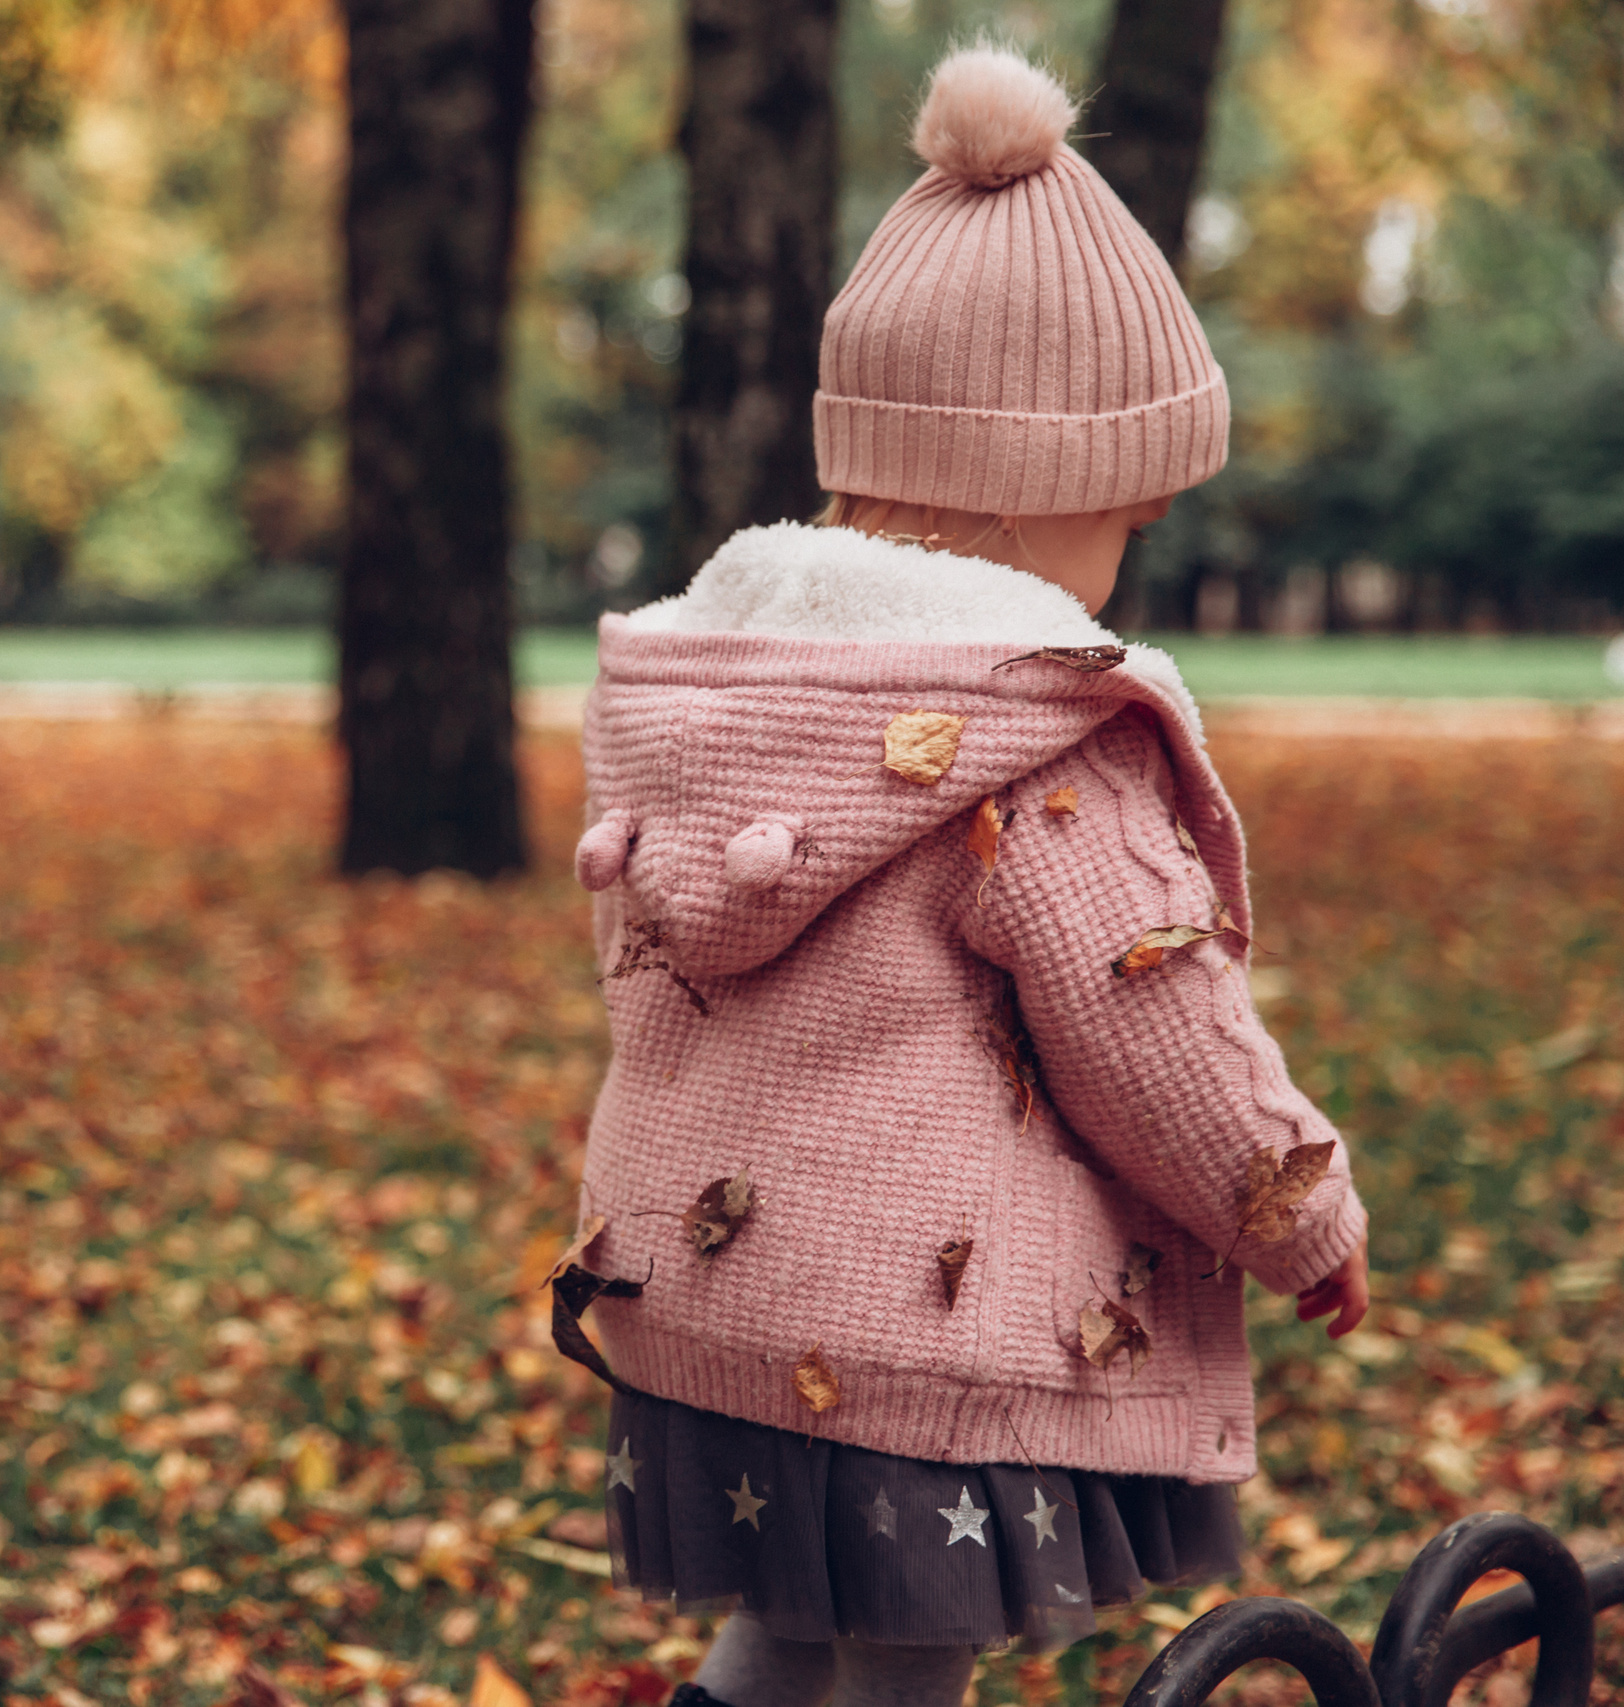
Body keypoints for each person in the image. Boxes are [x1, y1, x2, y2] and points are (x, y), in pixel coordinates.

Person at [563, 43, 1373, 1707]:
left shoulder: (712, 702)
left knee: (789, 1631)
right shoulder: (1045, 737)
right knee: (907, 1671)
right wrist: (1297, 1209)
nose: (1123, 555)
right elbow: (1157, 1031)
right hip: (914, 1337)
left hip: (700, 1306)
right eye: (1126, 515)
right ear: (1047, 495)